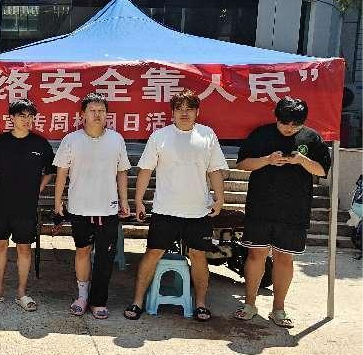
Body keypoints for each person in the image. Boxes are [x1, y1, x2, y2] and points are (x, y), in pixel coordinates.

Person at [124, 89, 227, 322]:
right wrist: (138, 201)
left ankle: (200, 304)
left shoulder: (207, 135)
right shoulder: (159, 136)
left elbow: (215, 170)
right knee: (153, 254)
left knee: (198, 256)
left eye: (189, 109)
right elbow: (145, 170)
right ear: (172, 113)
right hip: (165, 210)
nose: (184, 113)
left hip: (198, 211)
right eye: (179, 109)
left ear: (197, 112)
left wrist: (219, 198)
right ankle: (137, 301)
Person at [233, 97, 330, 328]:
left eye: (295, 125)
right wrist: (267, 160)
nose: (289, 128)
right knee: (255, 256)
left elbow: (322, 170)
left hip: (294, 210)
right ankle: (249, 304)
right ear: (276, 117)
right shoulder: (262, 134)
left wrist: (302, 160)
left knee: (284, 258)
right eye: (285, 123)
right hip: (260, 207)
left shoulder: (312, 138)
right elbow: (242, 164)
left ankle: (278, 308)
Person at [53, 93, 131, 319]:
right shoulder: (71, 140)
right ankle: (82, 296)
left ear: (107, 115)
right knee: (82, 251)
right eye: (92, 110)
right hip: (80, 208)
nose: (97, 115)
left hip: (108, 209)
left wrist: (124, 201)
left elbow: (122, 172)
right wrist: (58, 201)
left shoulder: (116, 139)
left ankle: (98, 301)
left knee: (105, 258)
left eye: (101, 111)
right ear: (83, 115)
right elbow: (62, 173)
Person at [0, 98, 54, 312]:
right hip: (1, 204)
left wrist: (38, 189)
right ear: (11, 118)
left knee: (24, 248)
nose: (27, 120)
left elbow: (50, 171)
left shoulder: (40, 144)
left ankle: (22, 292)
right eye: (22, 116)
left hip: (26, 206)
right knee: (0, 245)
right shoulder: (0, 142)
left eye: (30, 116)